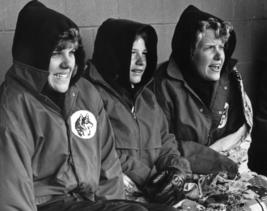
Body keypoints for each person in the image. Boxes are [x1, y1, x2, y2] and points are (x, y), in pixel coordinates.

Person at [0, 2, 173, 211]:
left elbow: (108, 166)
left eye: (72, 52)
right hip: (45, 205)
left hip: (87, 202)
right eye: (56, 52)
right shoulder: (13, 105)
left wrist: (115, 205)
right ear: (35, 55)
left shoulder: (85, 93)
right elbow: (11, 194)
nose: (67, 63)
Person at [84, 18, 191, 207]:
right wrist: (151, 178)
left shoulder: (147, 98)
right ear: (113, 55)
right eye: (132, 53)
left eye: (144, 53)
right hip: (113, 198)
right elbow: (102, 152)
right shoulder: (89, 95)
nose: (141, 62)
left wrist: (175, 170)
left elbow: (165, 141)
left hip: (152, 193)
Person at [152, 5, 253, 176]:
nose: (219, 56)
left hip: (229, 171)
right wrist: (212, 158)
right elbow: (162, 146)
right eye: (209, 48)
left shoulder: (229, 79)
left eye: (221, 47)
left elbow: (240, 132)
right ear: (189, 51)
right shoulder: (162, 86)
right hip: (183, 174)